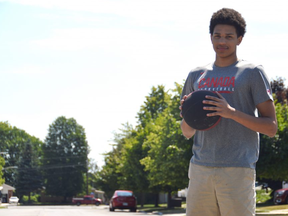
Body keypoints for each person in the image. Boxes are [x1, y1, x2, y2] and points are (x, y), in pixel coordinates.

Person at [180, 8, 277, 216]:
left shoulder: (252, 73)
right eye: (217, 36)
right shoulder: (196, 75)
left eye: (229, 37)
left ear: (239, 39)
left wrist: (231, 112)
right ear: (210, 37)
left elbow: (271, 127)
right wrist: (188, 116)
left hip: (238, 169)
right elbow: (187, 132)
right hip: (200, 170)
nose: (222, 41)